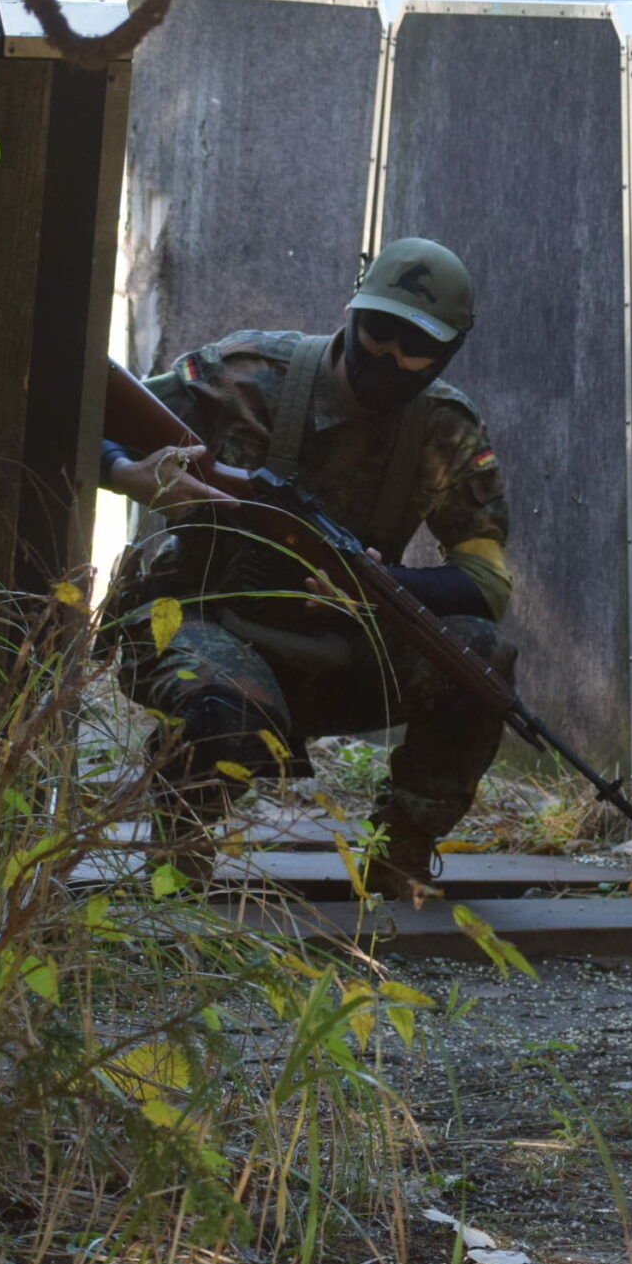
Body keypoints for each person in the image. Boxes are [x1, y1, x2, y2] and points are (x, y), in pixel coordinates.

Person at [99, 237, 514, 892]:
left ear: (448, 351)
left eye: (416, 345)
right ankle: (180, 849)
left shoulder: (445, 428)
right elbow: (88, 406)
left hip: (340, 647)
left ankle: (400, 850)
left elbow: (487, 584)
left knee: (480, 657)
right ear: (352, 311)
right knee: (223, 700)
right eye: (379, 329)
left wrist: (378, 584)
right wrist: (128, 474)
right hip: (200, 621)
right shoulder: (244, 375)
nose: (389, 354)